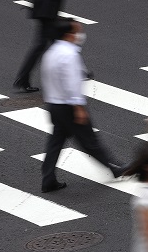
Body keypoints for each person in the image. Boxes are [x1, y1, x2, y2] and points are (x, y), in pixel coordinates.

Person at [39, 18, 126, 192]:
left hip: (54, 105)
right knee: (89, 141)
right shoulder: (70, 55)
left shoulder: (51, 53)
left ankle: (48, 178)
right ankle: (114, 168)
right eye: (76, 31)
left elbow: (46, 79)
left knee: (55, 142)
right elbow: (72, 83)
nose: (79, 35)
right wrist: (78, 107)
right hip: (69, 106)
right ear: (68, 35)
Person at [13, 0, 70, 92]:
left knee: (58, 41)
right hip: (47, 10)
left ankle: (23, 78)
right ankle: (22, 78)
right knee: (43, 45)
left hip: (44, 7)